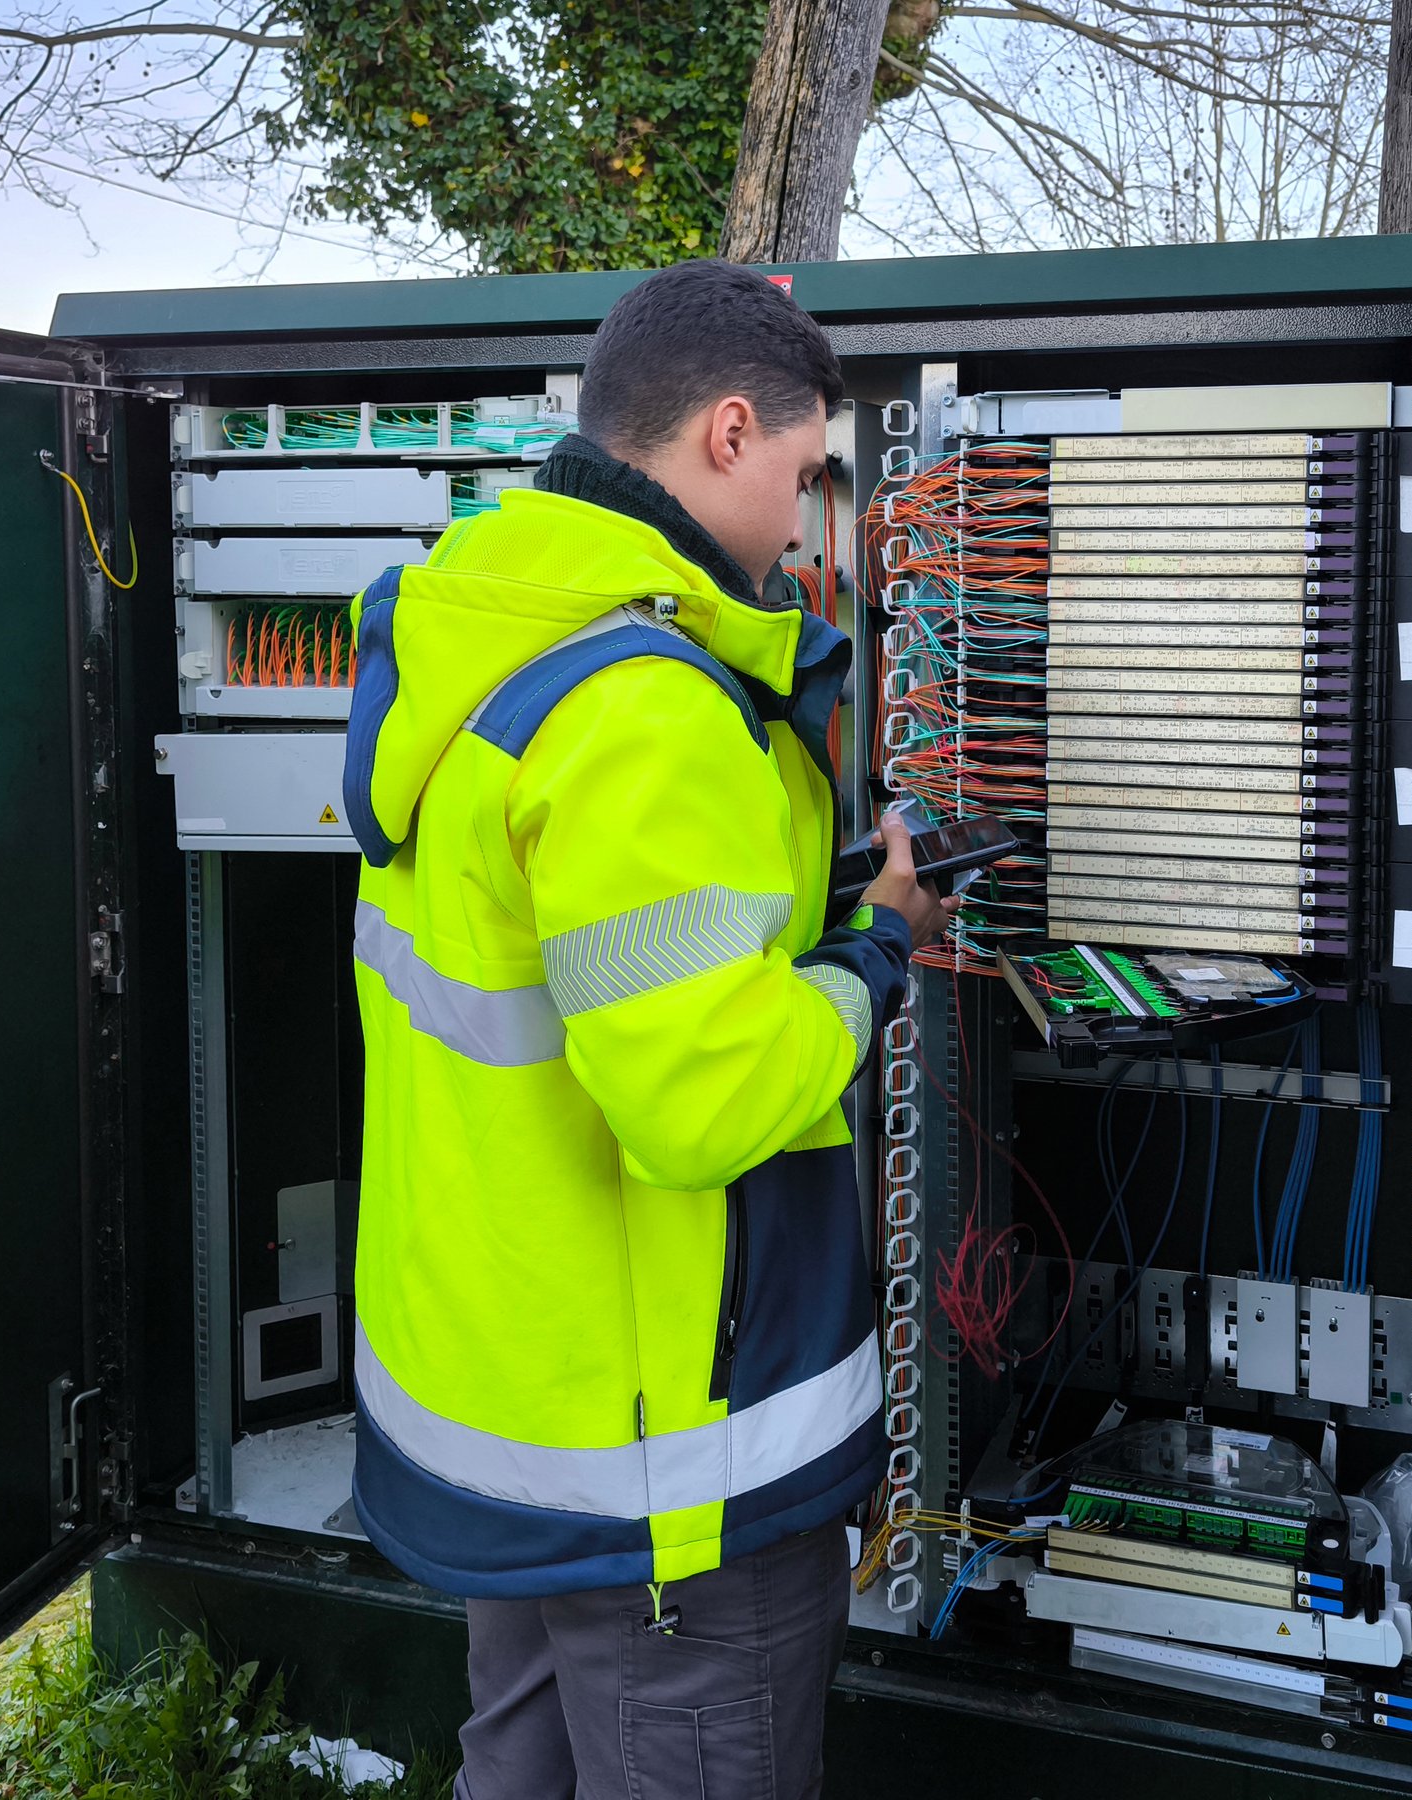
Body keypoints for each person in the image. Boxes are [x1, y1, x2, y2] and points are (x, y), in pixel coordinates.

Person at [339, 258, 957, 1800]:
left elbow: (590, 972)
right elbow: (703, 1099)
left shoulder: (481, 629)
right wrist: (877, 949)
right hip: (665, 1472)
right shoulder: (645, 706)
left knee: (523, 1766)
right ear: (728, 434)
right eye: (811, 476)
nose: (811, 520)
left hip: (517, 1408)